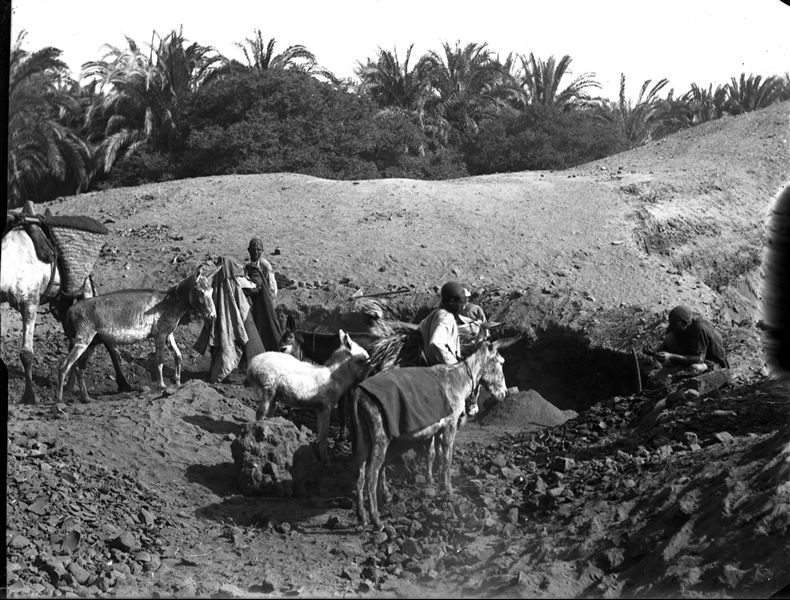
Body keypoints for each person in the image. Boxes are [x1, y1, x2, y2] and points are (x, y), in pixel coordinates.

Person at [652, 305, 730, 373]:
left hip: (711, 360)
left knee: (694, 367)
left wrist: (671, 356)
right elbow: (667, 341)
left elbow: (699, 359)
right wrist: (655, 352)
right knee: (670, 338)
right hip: (692, 351)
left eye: (675, 325)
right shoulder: (679, 326)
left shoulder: (699, 329)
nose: (672, 327)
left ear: (683, 323)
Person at [243, 237, 282, 351]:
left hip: (265, 300)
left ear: (262, 251)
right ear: (248, 250)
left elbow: (272, 287)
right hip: (256, 301)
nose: (256, 252)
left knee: (269, 328)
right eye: (253, 249)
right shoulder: (249, 265)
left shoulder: (264, 265)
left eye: (258, 249)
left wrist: (268, 300)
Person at [418, 281, 466, 366]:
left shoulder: (436, 313)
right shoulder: (447, 317)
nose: (461, 306)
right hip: (439, 368)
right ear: (451, 301)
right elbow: (436, 342)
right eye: (459, 302)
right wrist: (453, 364)